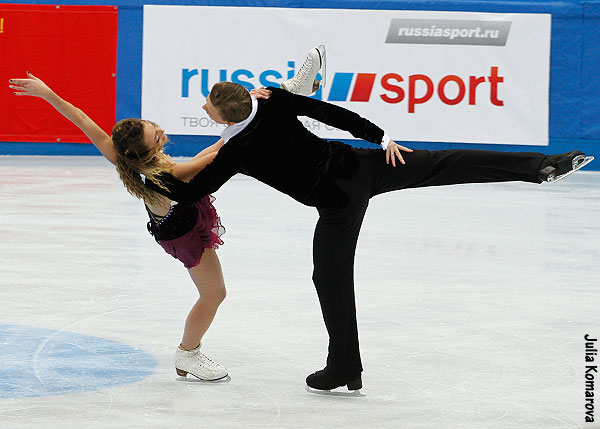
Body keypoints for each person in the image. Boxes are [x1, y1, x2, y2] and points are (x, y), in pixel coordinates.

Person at [142, 80, 593, 392]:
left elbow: (191, 190)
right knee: (446, 163)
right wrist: (380, 136)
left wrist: (143, 175)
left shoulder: (235, 149)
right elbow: (334, 113)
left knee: (330, 280)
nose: (203, 106)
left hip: (337, 206)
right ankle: (540, 166)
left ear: (225, 113)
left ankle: (343, 367)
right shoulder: (272, 101)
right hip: (363, 167)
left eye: (208, 105)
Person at [7, 45, 327, 382]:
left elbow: (81, 118)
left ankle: (288, 95)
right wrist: (253, 112)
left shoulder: (121, 156)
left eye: (152, 125)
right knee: (214, 294)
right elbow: (218, 154)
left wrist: (47, 93)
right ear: (145, 150)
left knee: (214, 287)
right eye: (155, 135)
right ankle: (188, 354)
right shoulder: (169, 176)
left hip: (179, 218)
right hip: (183, 233)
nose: (160, 130)